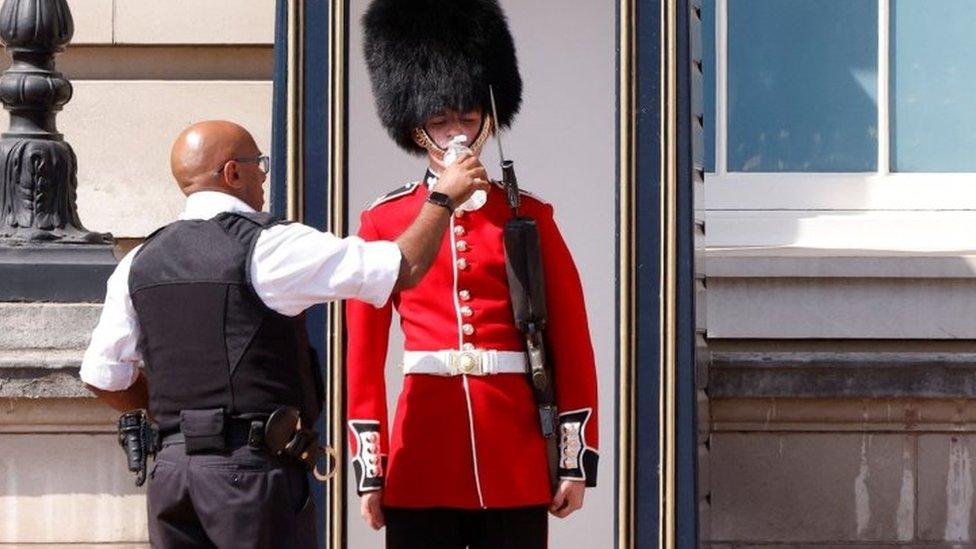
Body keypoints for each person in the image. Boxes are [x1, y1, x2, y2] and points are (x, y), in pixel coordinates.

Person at [79, 120, 488, 548]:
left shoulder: (139, 261)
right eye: (260, 165)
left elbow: (103, 376)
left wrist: (175, 423)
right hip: (250, 477)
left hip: (172, 476)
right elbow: (404, 267)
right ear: (233, 173)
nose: (264, 177)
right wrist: (443, 197)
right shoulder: (270, 246)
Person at [347, 1, 600, 547]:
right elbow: (363, 357)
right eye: (440, 120)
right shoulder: (385, 220)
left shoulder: (528, 215)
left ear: (488, 120)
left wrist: (573, 458)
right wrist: (371, 464)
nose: (456, 133)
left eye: (466, 117)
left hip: (512, 449)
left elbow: (572, 342)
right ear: (419, 132)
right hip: (424, 448)